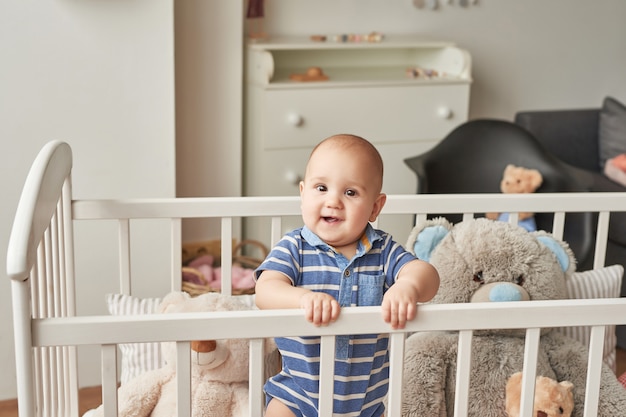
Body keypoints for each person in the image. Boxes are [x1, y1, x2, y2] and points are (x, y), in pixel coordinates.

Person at [254, 134, 440, 417]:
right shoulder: (295, 247)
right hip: (297, 394)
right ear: (303, 193)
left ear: (375, 207)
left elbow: (428, 276)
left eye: (350, 192)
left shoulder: (383, 250)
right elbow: (265, 290)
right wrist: (303, 298)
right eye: (321, 187)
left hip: (364, 402)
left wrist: (408, 287)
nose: (333, 201)